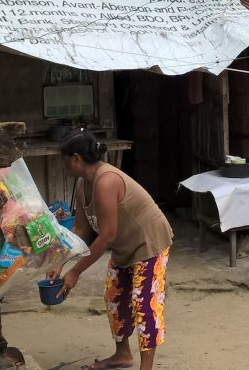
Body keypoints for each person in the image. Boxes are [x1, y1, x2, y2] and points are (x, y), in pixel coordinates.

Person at [47, 130, 173, 370]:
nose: (63, 166)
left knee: (144, 304)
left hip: (149, 243)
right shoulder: (84, 183)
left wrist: (75, 272)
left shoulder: (106, 181)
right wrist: (61, 262)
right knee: (114, 296)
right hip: (124, 246)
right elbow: (81, 228)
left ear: (76, 159)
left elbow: (106, 237)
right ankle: (123, 355)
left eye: (63, 160)